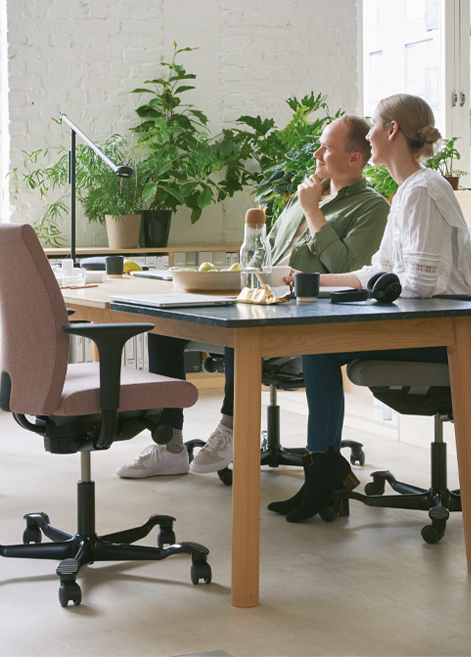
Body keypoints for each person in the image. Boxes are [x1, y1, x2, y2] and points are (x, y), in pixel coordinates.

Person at [117, 115, 390, 478]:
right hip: (263, 297)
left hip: (308, 311)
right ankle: (170, 445)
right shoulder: (306, 193)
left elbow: (347, 268)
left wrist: (311, 210)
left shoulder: (371, 207)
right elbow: (266, 252)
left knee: (238, 325)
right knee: (164, 325)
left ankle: (233, 427)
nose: (317, 152)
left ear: (355, 158)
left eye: (327, 147)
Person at [270, 93, 471, 522]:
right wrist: (310, 281)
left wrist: (372, 288)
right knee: (318, 344)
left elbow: (419, 285)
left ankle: (324, 473)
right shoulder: (406, 193)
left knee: (321, 344)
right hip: (424, 325)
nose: (370, 133)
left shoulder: (422, 191)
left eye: (375, 125)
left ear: (392, 130)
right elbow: (378, 269)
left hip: (446, 333)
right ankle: (322, 469)